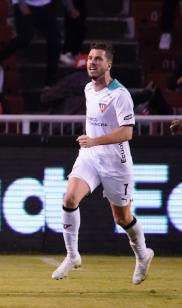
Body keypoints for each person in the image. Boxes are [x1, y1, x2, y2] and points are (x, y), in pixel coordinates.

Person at [52, 42, 154, 285]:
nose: (92, 62)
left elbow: (127, 133)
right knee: (69, 199)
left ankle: (142, 256)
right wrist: (92, 144)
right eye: (89, 58)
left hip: (116, 163)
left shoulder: (120, 95)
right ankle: (72, 255)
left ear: (109, 64)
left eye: (98, 59)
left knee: (122, 219)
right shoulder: (88, 88)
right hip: (90, 156)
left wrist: (95, 140)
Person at [0, 0, 61, 85]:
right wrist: (20, 3)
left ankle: (51, 80)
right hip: (25, 4)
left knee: (55, 40)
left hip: (46, 5)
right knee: (25, 38)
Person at [58, 0, 87, 66]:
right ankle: (66, 53)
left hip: (80, 5)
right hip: (73, 5)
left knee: (80, 28)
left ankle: (75, 52)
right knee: (72, 28)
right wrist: (71, 8)